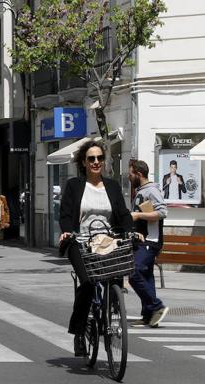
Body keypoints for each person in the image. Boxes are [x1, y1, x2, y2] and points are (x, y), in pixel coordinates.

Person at [59, 141, 133, 357]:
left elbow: (123, 213)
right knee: (89, 283)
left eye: (99, 158)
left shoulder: (112, 186)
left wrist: (132, 230)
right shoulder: (74, 185)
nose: (96, 162)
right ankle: (79, 332)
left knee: (115, 279)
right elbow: (65, 214)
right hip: (79, 241)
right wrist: (66, 231)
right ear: (84, 162)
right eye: (91, 158)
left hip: (107, 241)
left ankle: (111, 311)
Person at [128, 160, 169, 327]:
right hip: (144, 240)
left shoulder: (151, 190)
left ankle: (156, 306)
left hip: (150, 241)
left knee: (134, 272)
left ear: (138, 174)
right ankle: (149, 316)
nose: (129, 177)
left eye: (130, 174)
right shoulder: (141, 191)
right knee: (146, 276)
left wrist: (138, 216)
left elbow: (162, 212)